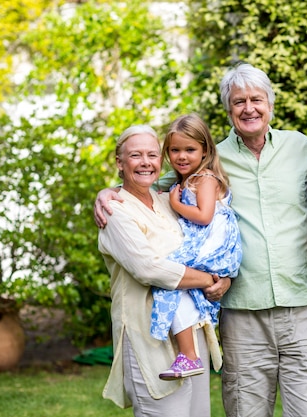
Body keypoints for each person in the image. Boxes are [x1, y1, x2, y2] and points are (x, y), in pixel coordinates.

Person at [95, 64, 307, 416]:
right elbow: (150, 183)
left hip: (300, 305)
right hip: (241, 311)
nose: (249, 108)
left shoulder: (302, 148)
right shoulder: (213, 160)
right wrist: (107, 193)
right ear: (229, 109)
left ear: (270, 103)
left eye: (256, 99)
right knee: (246, 410)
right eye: (239, 101)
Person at [97, 124, 224, 417]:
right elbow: (148, 268)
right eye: (135, 155)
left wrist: (223, 278)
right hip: (147, 334)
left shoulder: (168, 200)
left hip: (189, 331)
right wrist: (208, 279)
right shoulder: (115, 210)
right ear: (120, 162)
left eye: (152, 155)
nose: (145, 162)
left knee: (198, 412)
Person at [151, 114, 242, 380]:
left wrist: (176, 205)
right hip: (203, 240)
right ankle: (189, 355)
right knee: (178, 286)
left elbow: (204, 216)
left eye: (190, 150)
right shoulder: (184, 180)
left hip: (214, 243)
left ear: (205, 150)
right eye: (175, 150)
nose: (182, 156)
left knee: (171, 278)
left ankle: (188, 356)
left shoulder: (206, 179)